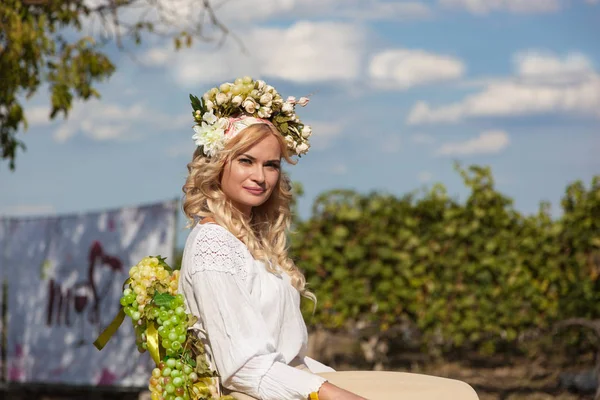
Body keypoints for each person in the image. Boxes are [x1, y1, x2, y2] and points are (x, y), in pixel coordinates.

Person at [178, 77, 479, 400]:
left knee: (455, 393)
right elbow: (244, 368)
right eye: (246, 161)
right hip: (259, 393)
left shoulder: (252, 243)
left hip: (292, 384)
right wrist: (333, 393)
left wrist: (331, 382)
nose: (260, 177)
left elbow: (287, 356)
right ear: (218, 163)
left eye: (271, 165)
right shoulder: (213, 244)